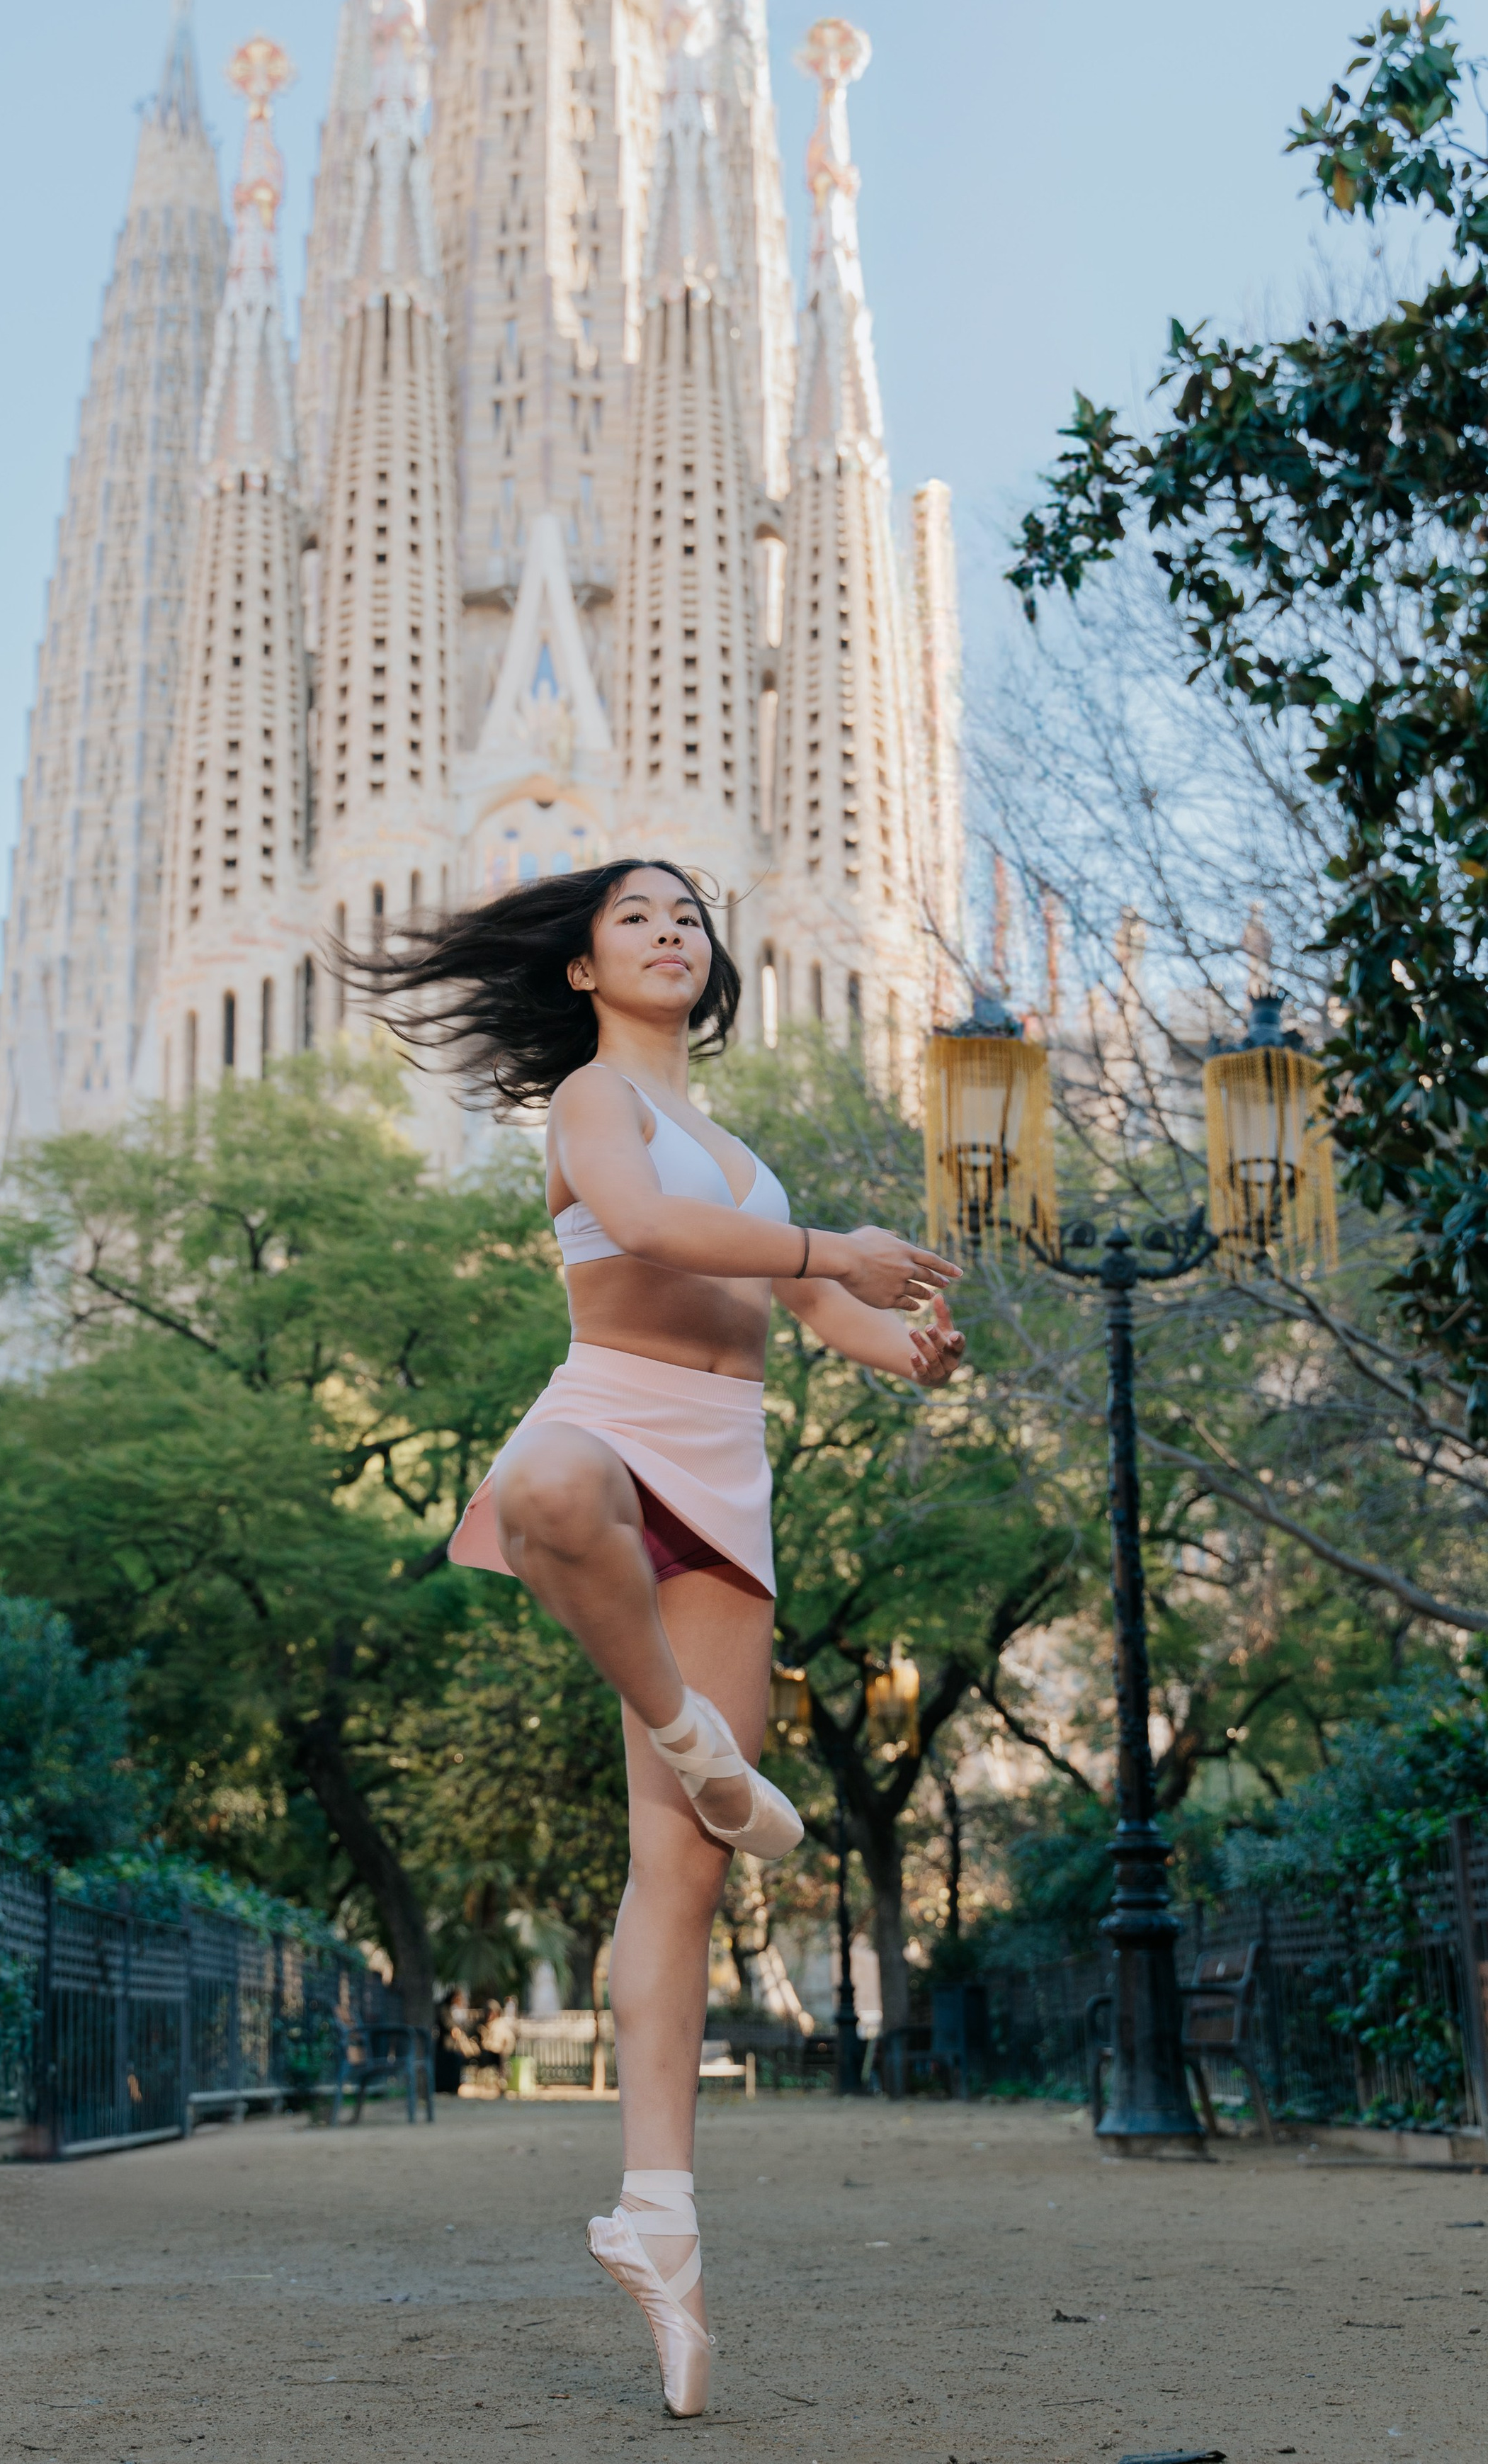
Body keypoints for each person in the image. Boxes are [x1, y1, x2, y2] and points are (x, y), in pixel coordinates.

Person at [345, 860, 964, 2417]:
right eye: (636, 917)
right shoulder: (588, 1105)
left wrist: (911, 1348)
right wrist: (833, 1248)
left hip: (725, 1464)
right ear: (578, 970)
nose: (671, 932)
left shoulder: (741, 1154)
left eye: (687, 915)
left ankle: (660, 2227)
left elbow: (823, 1322)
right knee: (541, 1486)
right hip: (610, 1419)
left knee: (678, 1870)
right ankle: (697, 1740)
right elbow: (636, 1227)